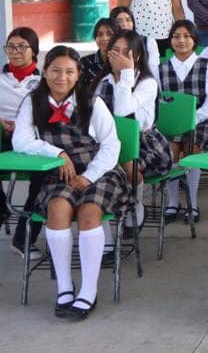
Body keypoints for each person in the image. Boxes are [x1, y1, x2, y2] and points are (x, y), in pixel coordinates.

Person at [13, 46, 130, 321]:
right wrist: (57, 153)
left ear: (78, 75)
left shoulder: (92, 101)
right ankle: (64, 288)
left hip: (99, 170)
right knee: (57, 209)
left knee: (90, 213)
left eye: (69, 71)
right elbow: (21, 140)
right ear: (44, 72)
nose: (61, 77)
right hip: (60, 171)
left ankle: (88, 290)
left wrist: (90, 175)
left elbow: (111, 144)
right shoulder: (33, 101)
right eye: (55, 70)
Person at [94, 30, 172, 224]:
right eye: (115, 51)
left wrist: (127, 74)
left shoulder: (147, 83)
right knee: (95, 162)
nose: (119, 57)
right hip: (110, 140)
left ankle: (135, 205)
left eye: (125, 53)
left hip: (145, 143)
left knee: (127, 163)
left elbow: (122, 110)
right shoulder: (103, 82)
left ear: (136, 56)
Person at [159, 19, 208, 222]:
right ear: (170, 41)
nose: (181, 40)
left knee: (190, 145)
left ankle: (192, 204)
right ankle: (173, 202)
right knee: (169, 149)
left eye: (187, 36)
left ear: (195, 40)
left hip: (202, 121)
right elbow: (159, 101)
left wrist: (191, 119)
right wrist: (175, 121)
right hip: (170, 122)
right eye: (176, 36)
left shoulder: (207, 64)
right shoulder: (161, 68)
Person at [0, 28, 44, 258]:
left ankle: (23, 238)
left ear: (34, 51)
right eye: (10, 47)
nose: (15, 52)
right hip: (2, 138)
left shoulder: (42, 82)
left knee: (45, 179)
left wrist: (23, 126)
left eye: (21, 47)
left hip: (30, 140)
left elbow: (47, 115)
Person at [109, 5, 161, 78]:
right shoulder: (109, 42)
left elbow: (154, 70)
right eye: (119, 21)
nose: (124, 24)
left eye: (128, 20)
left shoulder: (147, 41)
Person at [80, 18, 116, 86]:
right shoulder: (85, 62)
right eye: (100, 34)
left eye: (109, 34)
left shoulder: (123, 63)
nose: (104, 38)